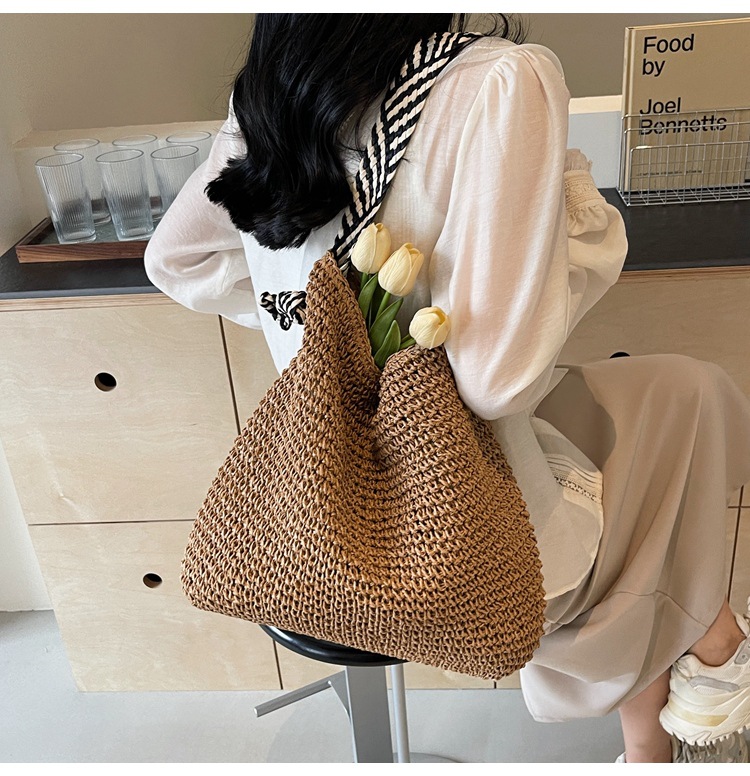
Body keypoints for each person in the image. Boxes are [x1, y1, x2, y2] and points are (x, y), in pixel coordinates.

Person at [144, 13, 750, 763]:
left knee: (679, 392)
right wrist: (575, 217)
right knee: (665, 487)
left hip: (310, 507)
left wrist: (314, 329)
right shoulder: (499, 81)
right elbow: (497, 383)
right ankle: (706, 653)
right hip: (461, 537)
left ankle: (680, 695)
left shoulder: (271, 92)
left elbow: (177, 261)